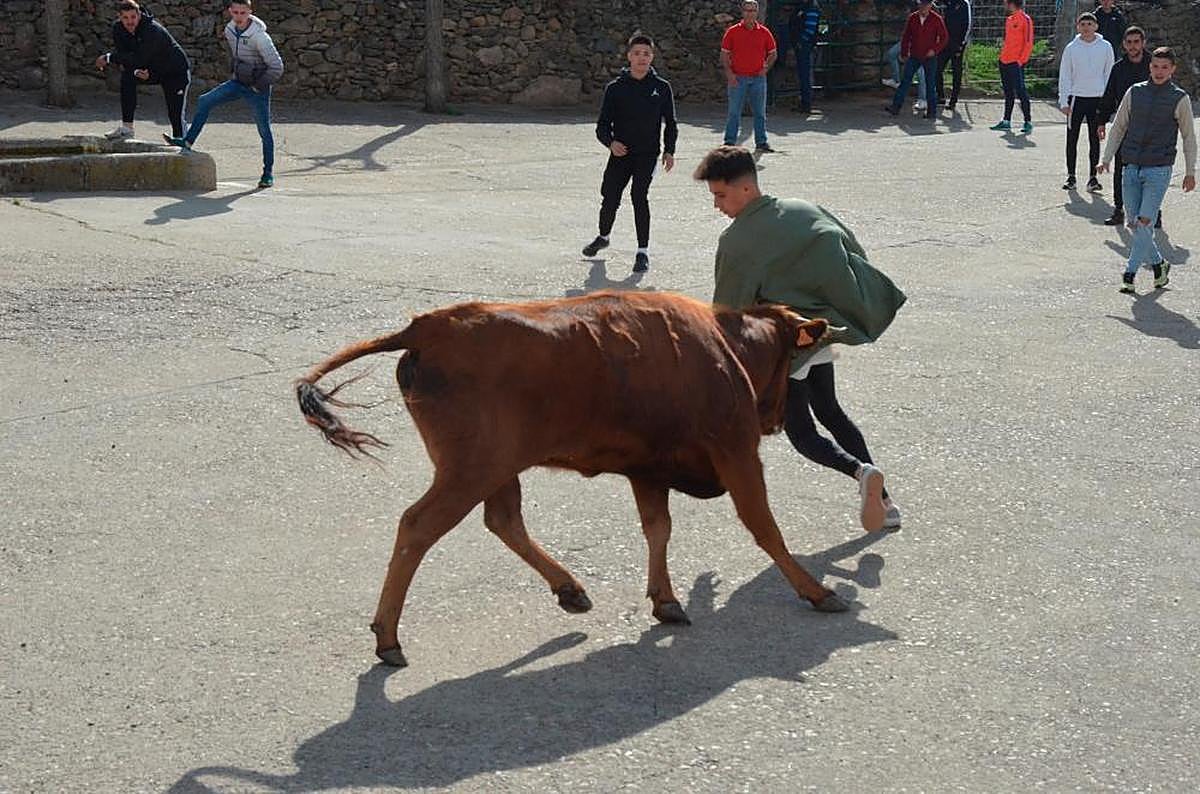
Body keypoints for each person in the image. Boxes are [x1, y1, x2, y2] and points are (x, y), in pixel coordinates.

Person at [694, 145, 907, 532]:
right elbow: (851, 249)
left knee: (803, 433)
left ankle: (860, 473)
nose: (717, 206)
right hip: (821, 333)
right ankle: (887, 503)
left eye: (720, 195)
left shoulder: (737, 241)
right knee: (831, 411)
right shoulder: (804, 209)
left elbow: (728, 314)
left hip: (785, 349)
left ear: (745, 189)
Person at [1098, 46, 1196, 293]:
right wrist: (1106, 157)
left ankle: (1129, 273)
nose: (1159, 71)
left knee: (1144, 221)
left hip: (1159, 169)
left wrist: (1190, 171)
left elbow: (1188, 137)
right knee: (1136, 223)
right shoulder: (1135, 92)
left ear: (1173, 69)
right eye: (1155, 66)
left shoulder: (1179, 98)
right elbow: (1119, 126)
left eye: (1165, 67)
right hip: (1130, 167)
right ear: (1149, 67)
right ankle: (1159, 265)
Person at [581, 32, 678, 275]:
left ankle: (642, 252)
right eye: (637, 54)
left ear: (652, 57)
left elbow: (671, 123)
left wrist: (669, 151)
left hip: (647, 155)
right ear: (629, 57)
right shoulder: (615, 88)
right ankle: (603, 237)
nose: (641, 58)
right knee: (610, 198)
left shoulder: (661, 88)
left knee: (639, 196)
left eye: (646, 54)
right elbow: (602, 125)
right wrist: (611, 143)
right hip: (621, 154)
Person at [163, 0, 284, 189]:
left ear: (250, 12)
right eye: (235, 12)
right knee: (205, 100)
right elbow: (238, 57)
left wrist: (257, 85)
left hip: (257, 87)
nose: (238, 17)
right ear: (230, 12)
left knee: (264, 130)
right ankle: (187, 141)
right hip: (238, 82)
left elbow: (277, 67)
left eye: (243, 13)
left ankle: (267, 173)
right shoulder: (230, 30)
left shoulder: (260, 37)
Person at [94, 1, 190, 141]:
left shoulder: (151, 30)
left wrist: (108, 57)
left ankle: (182, 141)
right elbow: (125, 56)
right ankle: (127, 129)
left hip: (174, 71)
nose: (130, 22)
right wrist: (134, 71)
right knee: (127, 78)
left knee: (175, 113)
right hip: (147, 69)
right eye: (125, 18)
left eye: (133, 17)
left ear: (139, 15)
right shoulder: (118, 29)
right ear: (119, 17)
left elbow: (139, 58)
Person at [1097, 26, 1152, 226]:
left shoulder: (1154, 65)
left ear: (1143, 42)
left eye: (1136, 41)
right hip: (1124, 125)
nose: (1133, 46)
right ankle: (1119, 209)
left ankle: (1152, 212)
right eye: (1129, 42)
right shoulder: (1118, 68)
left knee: (1149, 171)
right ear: (1124, 44)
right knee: (1121, 169)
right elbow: (1110, 95)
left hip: (1150, 127)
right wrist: (1101, 120)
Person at [1058, 12, 1114, 192]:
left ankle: (1092, 178)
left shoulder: (1105, 47)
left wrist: (1107, 101)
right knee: (1072, 138)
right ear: (1078, 27)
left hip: (1097, 99)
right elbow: (1065, 75)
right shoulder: (1071, 48)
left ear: (1096, 26)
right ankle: (1071, 176)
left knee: (1094, 139)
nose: (1087, 27)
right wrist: (1063, 101)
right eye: (1083, 24)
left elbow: (1109, 74)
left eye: (1090, 24)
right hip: (1076, 98)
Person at [720, 1, 778, 153]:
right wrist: (729, 74)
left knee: (759, 113)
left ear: (757, 12)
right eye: (747, 10)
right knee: (734, 112)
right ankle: (729, 142)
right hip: (737, 77)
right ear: (742, 12)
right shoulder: (732, 32)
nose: (750, 13)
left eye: (753, 10)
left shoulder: (764, 32)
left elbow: (773, 53)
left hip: (758, 79)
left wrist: (765, 68)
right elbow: (724, 54)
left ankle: (761, 142)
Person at [884, 0, 947, 120]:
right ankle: (895, 107)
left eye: (926, 4)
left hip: (929, 56)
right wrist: (904, 52)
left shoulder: (936, 19)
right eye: (921, 4)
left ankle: (931, 112)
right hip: (915, 55)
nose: (923, 7)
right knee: (905, 81)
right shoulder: (913, 18)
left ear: (930, 6)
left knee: (930, 84)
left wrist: (935, 50)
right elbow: (906, 36)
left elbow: (944, 37)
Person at [989, 0, 1034, 134]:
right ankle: (1006, 120)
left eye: (1005, 3)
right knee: (1008, 92)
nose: (1004, 5)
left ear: (1011, 3)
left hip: (1016, 62)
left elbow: (1028, 42)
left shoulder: (1025, 19)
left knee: (1021, 91)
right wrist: (1002, 57)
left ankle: (1028, 121)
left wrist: (1021, 61)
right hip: (1004, 60)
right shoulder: (1009, 19)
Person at [787, 0, 821, 113]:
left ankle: (806, 103)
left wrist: (801, 42)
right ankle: (804, 102)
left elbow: (810, 28)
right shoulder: (803, 6)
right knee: (802, 74)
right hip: (801, 44)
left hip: (805, 46)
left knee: (805, 74)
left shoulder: (811, 7)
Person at [937, 0, 972, 111]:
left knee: (956, 72)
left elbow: (968, 25)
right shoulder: (949, 3)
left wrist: (961, 44)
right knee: (938, 69)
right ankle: (941, 96)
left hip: (957, 43)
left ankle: (953, 100)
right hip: (946, 43)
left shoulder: (964, 4)